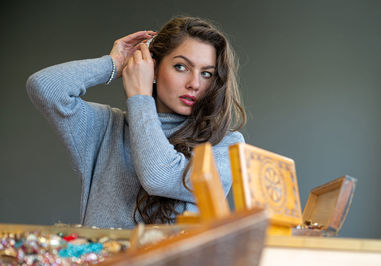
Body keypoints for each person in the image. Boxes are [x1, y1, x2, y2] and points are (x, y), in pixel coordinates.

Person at [26, 16, 246, 228]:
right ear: (152, 68)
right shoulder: (105, 127)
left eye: (207, 74)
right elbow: (45, 87)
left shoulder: (224, 145)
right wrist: (114, 64)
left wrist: (139, 98)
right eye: (181, 67)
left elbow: (158, 177)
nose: (195, 83)